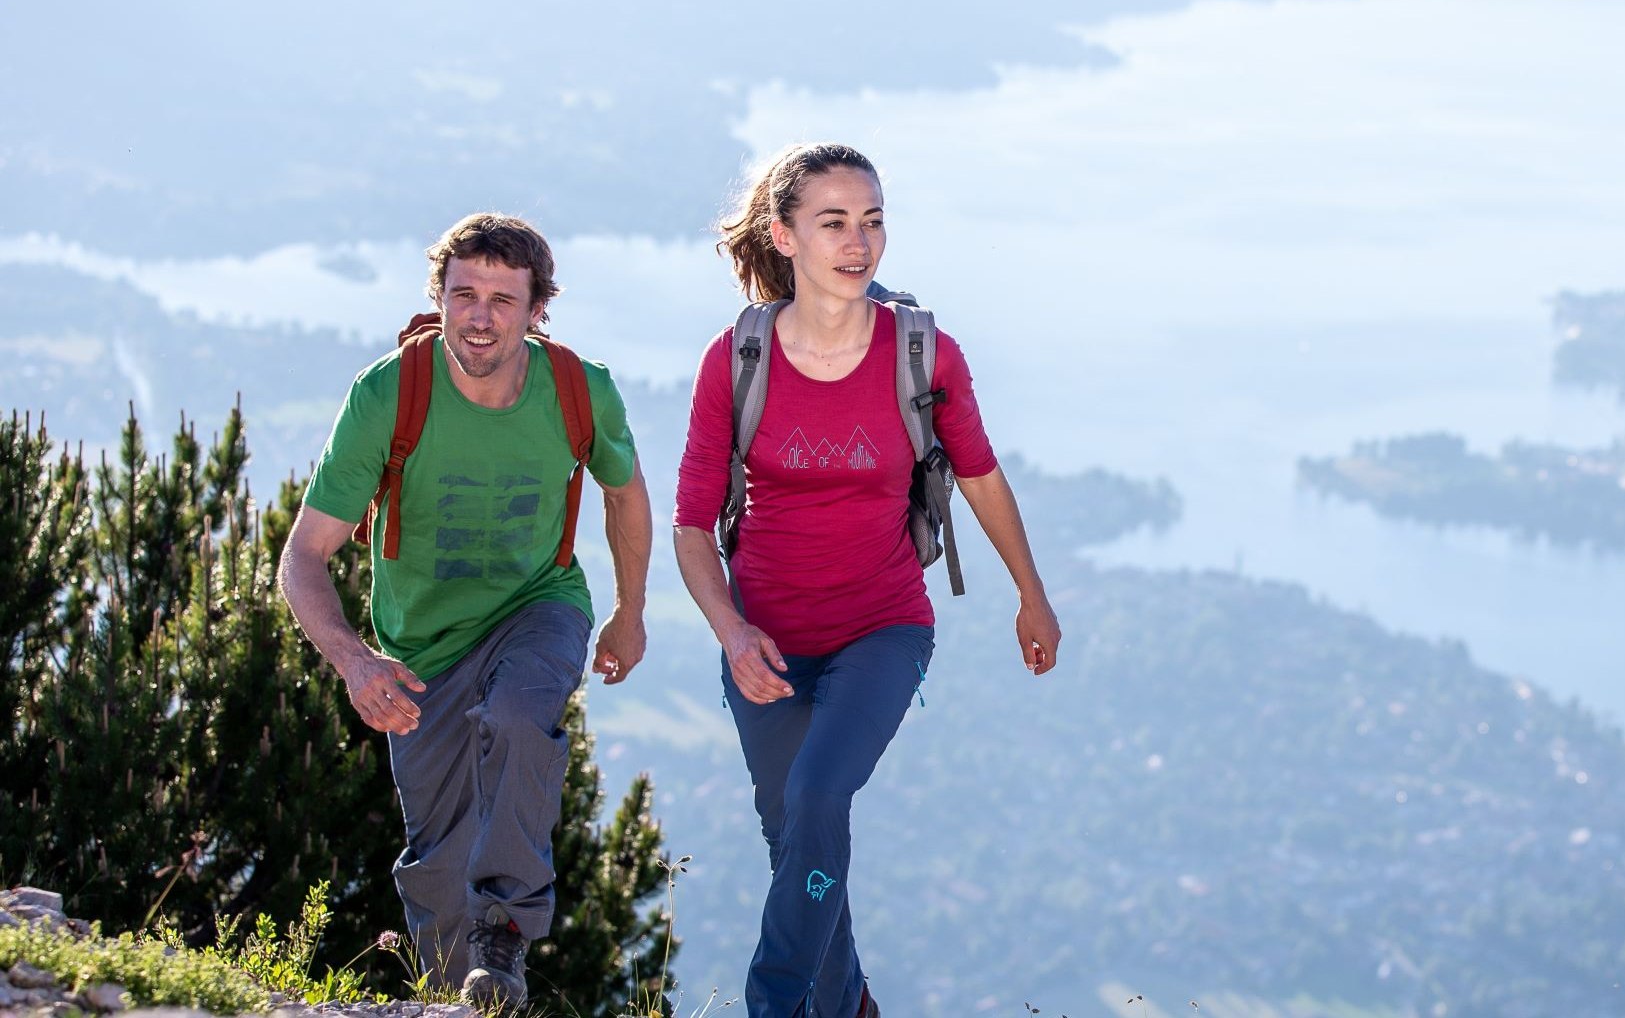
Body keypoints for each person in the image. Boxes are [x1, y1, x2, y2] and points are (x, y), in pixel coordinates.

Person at [672, 143, 1062, 1018]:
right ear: (785, 235)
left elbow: (981, 476)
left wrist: (1030, 595)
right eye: (835, 222)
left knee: (817, 797)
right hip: (763, 641)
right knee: (795, 838)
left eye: (874, 220)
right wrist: (733, 633)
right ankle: (850, 1006)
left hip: (882, 627)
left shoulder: (923, 354)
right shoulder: (737, 359)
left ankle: (772, 1006)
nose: (860, 242)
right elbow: (693, 524)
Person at [278, 212, 651, 1009]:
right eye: (464, 294)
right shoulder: (390, 393)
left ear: (536, 310)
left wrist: (629, 611)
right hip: (421, 648)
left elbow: (624, 492)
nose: (480, 316)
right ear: (439, 298)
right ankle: (454, 998)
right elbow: (303, 556)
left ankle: (508, 928)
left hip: (536, 604)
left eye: (503, 300)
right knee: (438, 865)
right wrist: (354, 659)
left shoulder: (581, 390)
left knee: (519, 716)